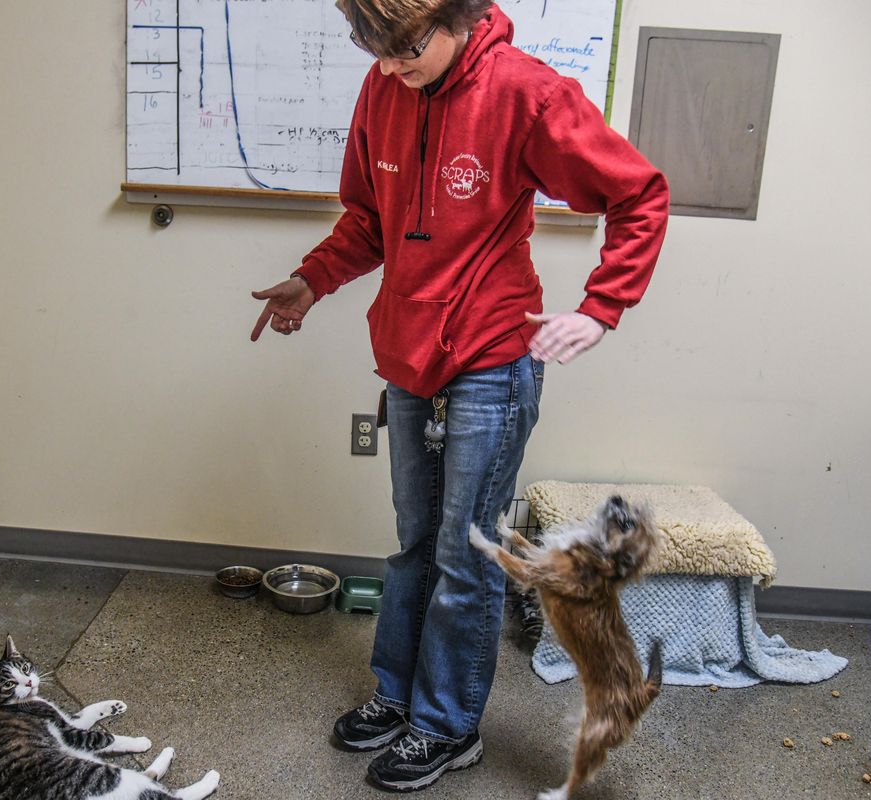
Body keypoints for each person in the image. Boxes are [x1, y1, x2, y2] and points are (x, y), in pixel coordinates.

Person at [250, 0, 668, 791]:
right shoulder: (384, 88)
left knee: (464, 553)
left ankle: (447, 727)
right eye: (373, 48)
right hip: (408, 357)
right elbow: (369, 220)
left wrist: (600, 307)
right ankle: (399, 697)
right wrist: (313, 280)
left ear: (461, 17)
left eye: (405, 47)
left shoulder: (527, 93)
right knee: (413, 544)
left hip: (489, 357)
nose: (388, 65)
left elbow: (639, 194)